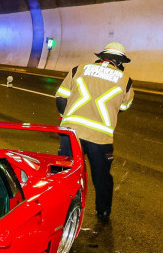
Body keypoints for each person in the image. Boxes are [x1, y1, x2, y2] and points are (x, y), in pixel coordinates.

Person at [55, 42, 134, 222]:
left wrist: (65, 117)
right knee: (101, 177)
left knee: (65, 171)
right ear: (121, 62)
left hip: (71, 132)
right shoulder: (125, 80)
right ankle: (103, 211)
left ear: (100, 57)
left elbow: (61, 97)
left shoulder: (78, 69)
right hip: (100, 137)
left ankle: (61, 208)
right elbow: (124, 106)